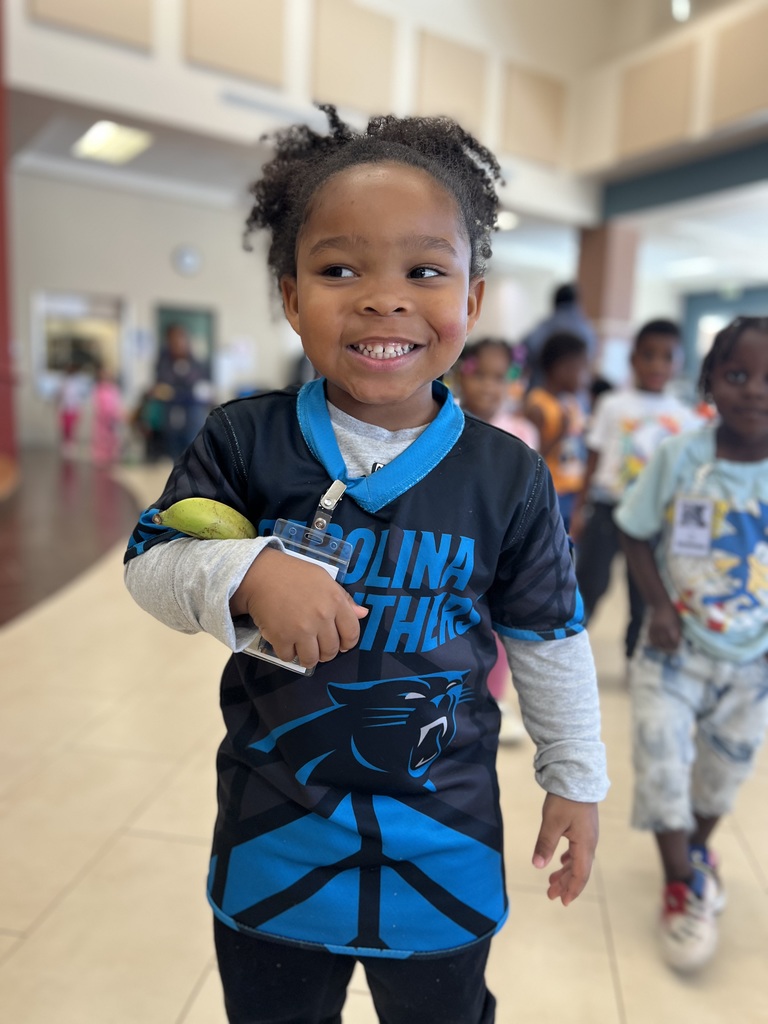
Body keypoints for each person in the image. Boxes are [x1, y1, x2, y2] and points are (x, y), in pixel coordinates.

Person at [124, 105, 608, 1024]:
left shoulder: (509, 474)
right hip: (274, 830)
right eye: (340, 268)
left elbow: (548, 637)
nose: (384, 298)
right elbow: (151, 560)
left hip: (446, 836)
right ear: (290, 294)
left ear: (469, 301)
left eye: (424, 271)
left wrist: (574, 778)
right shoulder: (244, 437)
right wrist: (247, 571)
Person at [614, 316, 768, 972]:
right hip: (672, 651)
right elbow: (633, 530)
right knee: (662, 762)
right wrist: (659, 607)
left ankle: (700, 848)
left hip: (753, 660)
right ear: (708, 383)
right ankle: (682, 884)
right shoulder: (681, 457)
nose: (755, 391)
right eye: (738, 375)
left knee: (722, 772)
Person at [571, 319, 700, 661]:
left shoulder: (685, 417)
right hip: (607, 508)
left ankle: (636, 660)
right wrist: (580, 510)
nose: (657, 364)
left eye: (667, 356)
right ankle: (567, 652)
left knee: (643, 593)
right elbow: (594, 459)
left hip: (653, 519)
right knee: (590, 584)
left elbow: (686, 475)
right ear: (633, 359)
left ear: (679, 362)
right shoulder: (612, 404)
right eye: (648, 355)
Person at [452, 337, 537, 745]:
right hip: (453, 543)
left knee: (498, 627)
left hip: (499, 546)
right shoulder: (444, 422)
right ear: (459, 374)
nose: (489, 386)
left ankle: (496, 699)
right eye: (480, 375)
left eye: (499, 378)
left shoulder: (521, 431)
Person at [522, 332, 589, 530]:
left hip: (572, 490)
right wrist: (560, 432)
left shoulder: (571, 402)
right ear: (562, 368)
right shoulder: (538, 404)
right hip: (552, 491)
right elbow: (534, 457)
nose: (585, 376)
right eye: (581, 368)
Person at [153, 322, 213, 460]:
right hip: (171, 421)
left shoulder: (197, 365)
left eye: (180, 339)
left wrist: (177, 394)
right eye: (172, 340)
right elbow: (160, 389)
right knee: (175, 456)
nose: (177, 344)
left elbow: (204, 392)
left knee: (193, 455)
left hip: (193, 419)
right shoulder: (163, 364)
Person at [522, 283, 597, 389]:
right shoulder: (585, 329)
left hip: (539, 386)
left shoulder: (542, 327)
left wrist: (514, 376)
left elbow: (520, 351)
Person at [90, 365, 124, 466]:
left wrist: (118, 415)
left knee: (113, 439)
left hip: (113, 419)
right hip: (102, 420)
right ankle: (101, 458)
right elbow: (97, 404)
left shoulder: (114, 389)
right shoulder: (98, 389)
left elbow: (117, 404)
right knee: (102, 439)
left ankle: (111, 457)